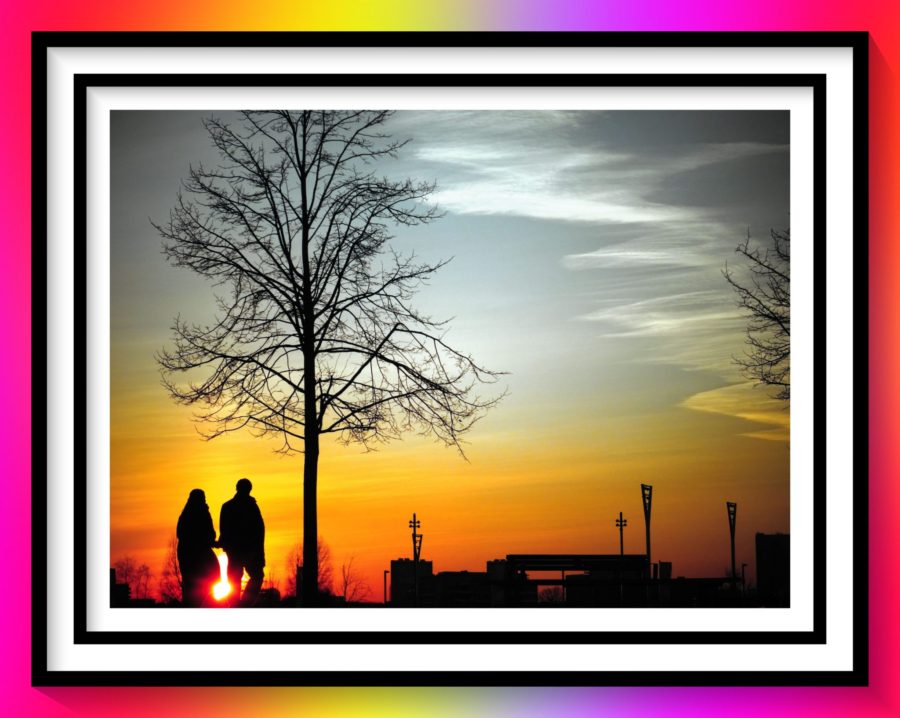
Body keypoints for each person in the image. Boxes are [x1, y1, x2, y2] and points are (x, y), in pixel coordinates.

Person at [218, 478, 265, 607]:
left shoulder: (228, 506)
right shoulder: (251, 506)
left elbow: (223, 529)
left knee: (237, 578)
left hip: (241, 550)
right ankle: (241, 605)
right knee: (251, 577)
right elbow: (259, 530)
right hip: (247, 550)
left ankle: (238, 605)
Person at [176, 489, 220, 607]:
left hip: (187, 554)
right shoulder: (202, 513)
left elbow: (180, 533)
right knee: (205, 582)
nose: (205, 500)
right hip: (198, 555)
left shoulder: (185, 515)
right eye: (203, 498)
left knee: (191, 586)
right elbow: (210, 534)